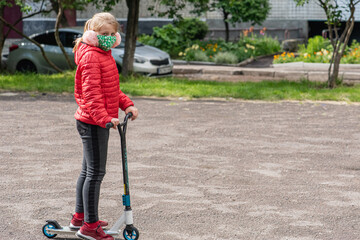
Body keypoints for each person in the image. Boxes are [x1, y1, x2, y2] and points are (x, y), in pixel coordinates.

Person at [70, 12, 138, 240]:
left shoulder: (104, 54)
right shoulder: (91, 57)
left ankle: (80, 217)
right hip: (93, 121)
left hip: (95, 120)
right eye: (103, 34)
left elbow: (110, 89)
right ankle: (89, 227)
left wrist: (126, 105)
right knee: (95, 174)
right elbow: (91, 95)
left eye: (112, 34)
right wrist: (104, 118)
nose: (108, 38)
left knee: (87, 171)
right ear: (92, 35)